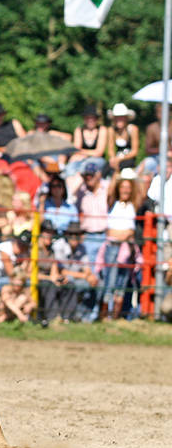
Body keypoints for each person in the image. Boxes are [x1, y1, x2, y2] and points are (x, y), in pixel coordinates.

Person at [97, 171, 141, 320]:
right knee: (110, 280)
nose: (125, 190)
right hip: (113, 246)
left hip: (126, 248)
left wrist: (135, 176)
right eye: (123, 187)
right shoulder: (112, 203)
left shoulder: (132, 205)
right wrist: (116, 171)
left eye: (128, 187)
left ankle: (115, 316)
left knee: (122, 282)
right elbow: (110, 191)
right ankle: (104, 316)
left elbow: (140, 192)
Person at [74, 162, 110, 263]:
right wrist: (81, 179)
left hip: (105, 235)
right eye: (86, 176)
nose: (88, 178)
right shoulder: (81, 191)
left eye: (91, 175)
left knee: (106, 269)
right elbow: (71, 201)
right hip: (88, 236)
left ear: (98, 175)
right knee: (91, 270)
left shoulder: (107, 187)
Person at [106, 103, 139, 174]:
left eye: (121, 117)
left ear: (126, 118)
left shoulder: (133, 129)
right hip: (116, 158)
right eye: (117, 117)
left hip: (128, 159)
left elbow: (134, 151)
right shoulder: (111, 130)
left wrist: (120, 159)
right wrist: (113, 158)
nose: (119, 119)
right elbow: (110, 149)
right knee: (105, 170)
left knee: (116, 170)